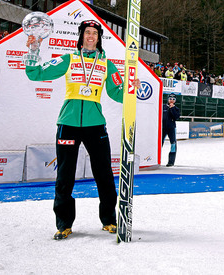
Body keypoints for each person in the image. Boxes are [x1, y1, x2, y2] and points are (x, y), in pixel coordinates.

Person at [25, 19, 140, 240]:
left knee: (104, 173)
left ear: (99, 38)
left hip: (95, 123)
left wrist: (131, 86)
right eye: (87, 32)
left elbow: (118, 93)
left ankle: (109, 219)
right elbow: (36, 74)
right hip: (67, 124)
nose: (90, 36)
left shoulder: (107, 65)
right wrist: (33, 49)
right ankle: (64, 224)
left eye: (94, 34)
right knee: (65, 176)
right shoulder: (69, 59)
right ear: (81, 36)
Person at [162, 93, 181, 166]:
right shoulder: (163, 107)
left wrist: (172, 108)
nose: (171, 101)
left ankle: (171, 162)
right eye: (170, 99)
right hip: (163, 128)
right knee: (159, 144)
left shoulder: (176, 109)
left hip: (171, 128)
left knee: (173, 144)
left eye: (173, 99)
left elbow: (176, 117)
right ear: (168, 99)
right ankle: (156, 160)